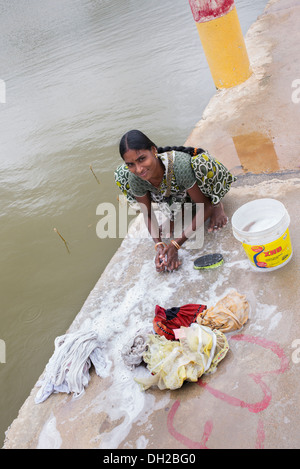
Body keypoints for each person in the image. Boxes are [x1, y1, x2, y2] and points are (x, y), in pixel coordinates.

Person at [115, 129, 236, 273]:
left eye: (142, 159)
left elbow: (204, 208)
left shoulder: (179, 165)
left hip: (200, 192)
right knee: (121, 175)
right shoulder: (135, 177)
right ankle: (179, 214)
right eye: (131, 164)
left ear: (153, 150)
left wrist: (175, 245)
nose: (139, 169)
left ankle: (216, 203)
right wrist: (159, 246)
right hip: (178, 194)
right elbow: (147, 214)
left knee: (202, 164)